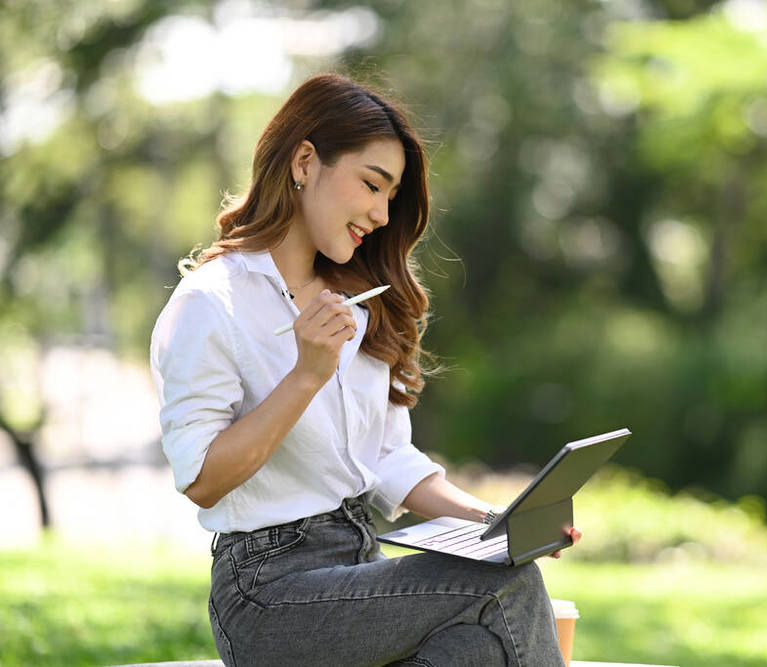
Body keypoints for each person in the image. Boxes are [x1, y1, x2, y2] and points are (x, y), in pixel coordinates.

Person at [149, 72, 578, 666]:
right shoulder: (212, 301)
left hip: (360, 573)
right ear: (305, 161)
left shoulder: (359, 302)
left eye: (390, 198)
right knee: (508, 588)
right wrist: (306, 376)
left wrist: (499, 523)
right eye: (372, 185)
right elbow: (200, 477)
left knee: (478, 646)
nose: (380, 214)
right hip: (268, 595)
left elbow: (387, 461)